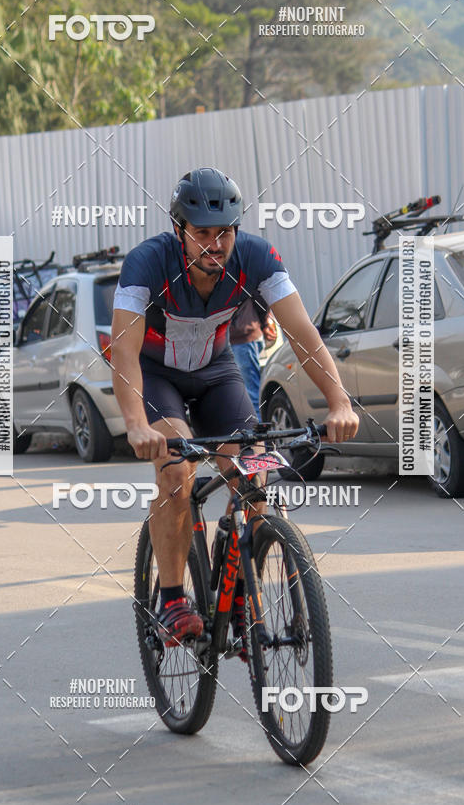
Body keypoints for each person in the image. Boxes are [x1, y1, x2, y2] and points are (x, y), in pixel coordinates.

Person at [111, 167, 358, 653]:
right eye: (202, 233)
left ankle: (242, 597)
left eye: (224, 232)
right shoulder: (147, 263)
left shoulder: (257, 257)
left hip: (217, 372)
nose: (214, 244)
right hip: (156, 374)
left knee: (255, 471)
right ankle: (173, 598)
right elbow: (123, 349)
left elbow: (303, 335)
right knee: (177, 473)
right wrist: (137, 425)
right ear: (179, 229)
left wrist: (339, 401)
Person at [229, 298, 275, 420]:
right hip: (233, 338)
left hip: (243, 337)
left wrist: (264, 323)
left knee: (251, 394)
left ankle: (260, 435)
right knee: (237, 394)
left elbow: (260, 296)